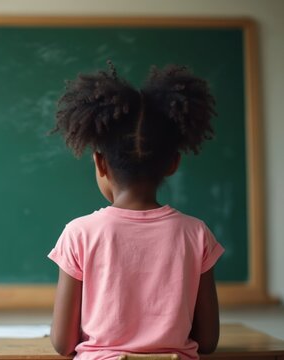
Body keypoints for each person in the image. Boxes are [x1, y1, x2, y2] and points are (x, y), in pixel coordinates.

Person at [47, 63, 225, 360]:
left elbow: (63, 344)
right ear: (173, 164)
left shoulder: (79, 233)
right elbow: (207, 342)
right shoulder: (196, 233)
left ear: (100, 164)